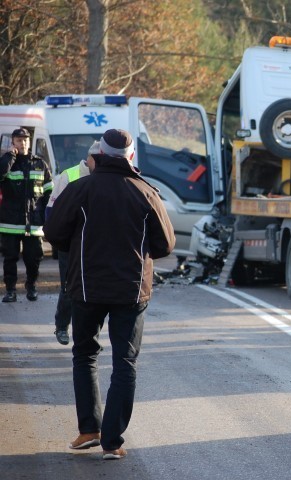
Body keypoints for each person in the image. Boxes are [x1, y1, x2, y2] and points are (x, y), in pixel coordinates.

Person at [44, 129, 175, 460]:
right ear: (131, 157)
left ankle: (89, 429)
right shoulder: (146, 193)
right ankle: (112, 442)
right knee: (124, 362)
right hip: (131, 292)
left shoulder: (80, 188)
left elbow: (54, 233)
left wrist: (77, 249)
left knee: (85, 354)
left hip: (86, 289)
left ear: (99, 153)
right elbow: (165, 245)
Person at [46, 141, 100, 345]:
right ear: (91, 159)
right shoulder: (69, 175)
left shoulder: (102, 178)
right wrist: (60, 242)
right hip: (70, 244)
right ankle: (61, 327)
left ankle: (86, 336)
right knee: (69, 288)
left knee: (91, 291)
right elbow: (51, 212)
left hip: (92, 244)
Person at [0, 128, 53, 303]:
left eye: (25, 140)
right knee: (10, 259)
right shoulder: (8, 162)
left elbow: (49, 192)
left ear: (29, 142)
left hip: (34, 222)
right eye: (18, 140)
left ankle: (31, 287)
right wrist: (10, 156)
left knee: (33, 259)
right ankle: (10, 290)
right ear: (13, 142)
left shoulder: (40, 164)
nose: (22, 143)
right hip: (11, 223)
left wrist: (43, 215)